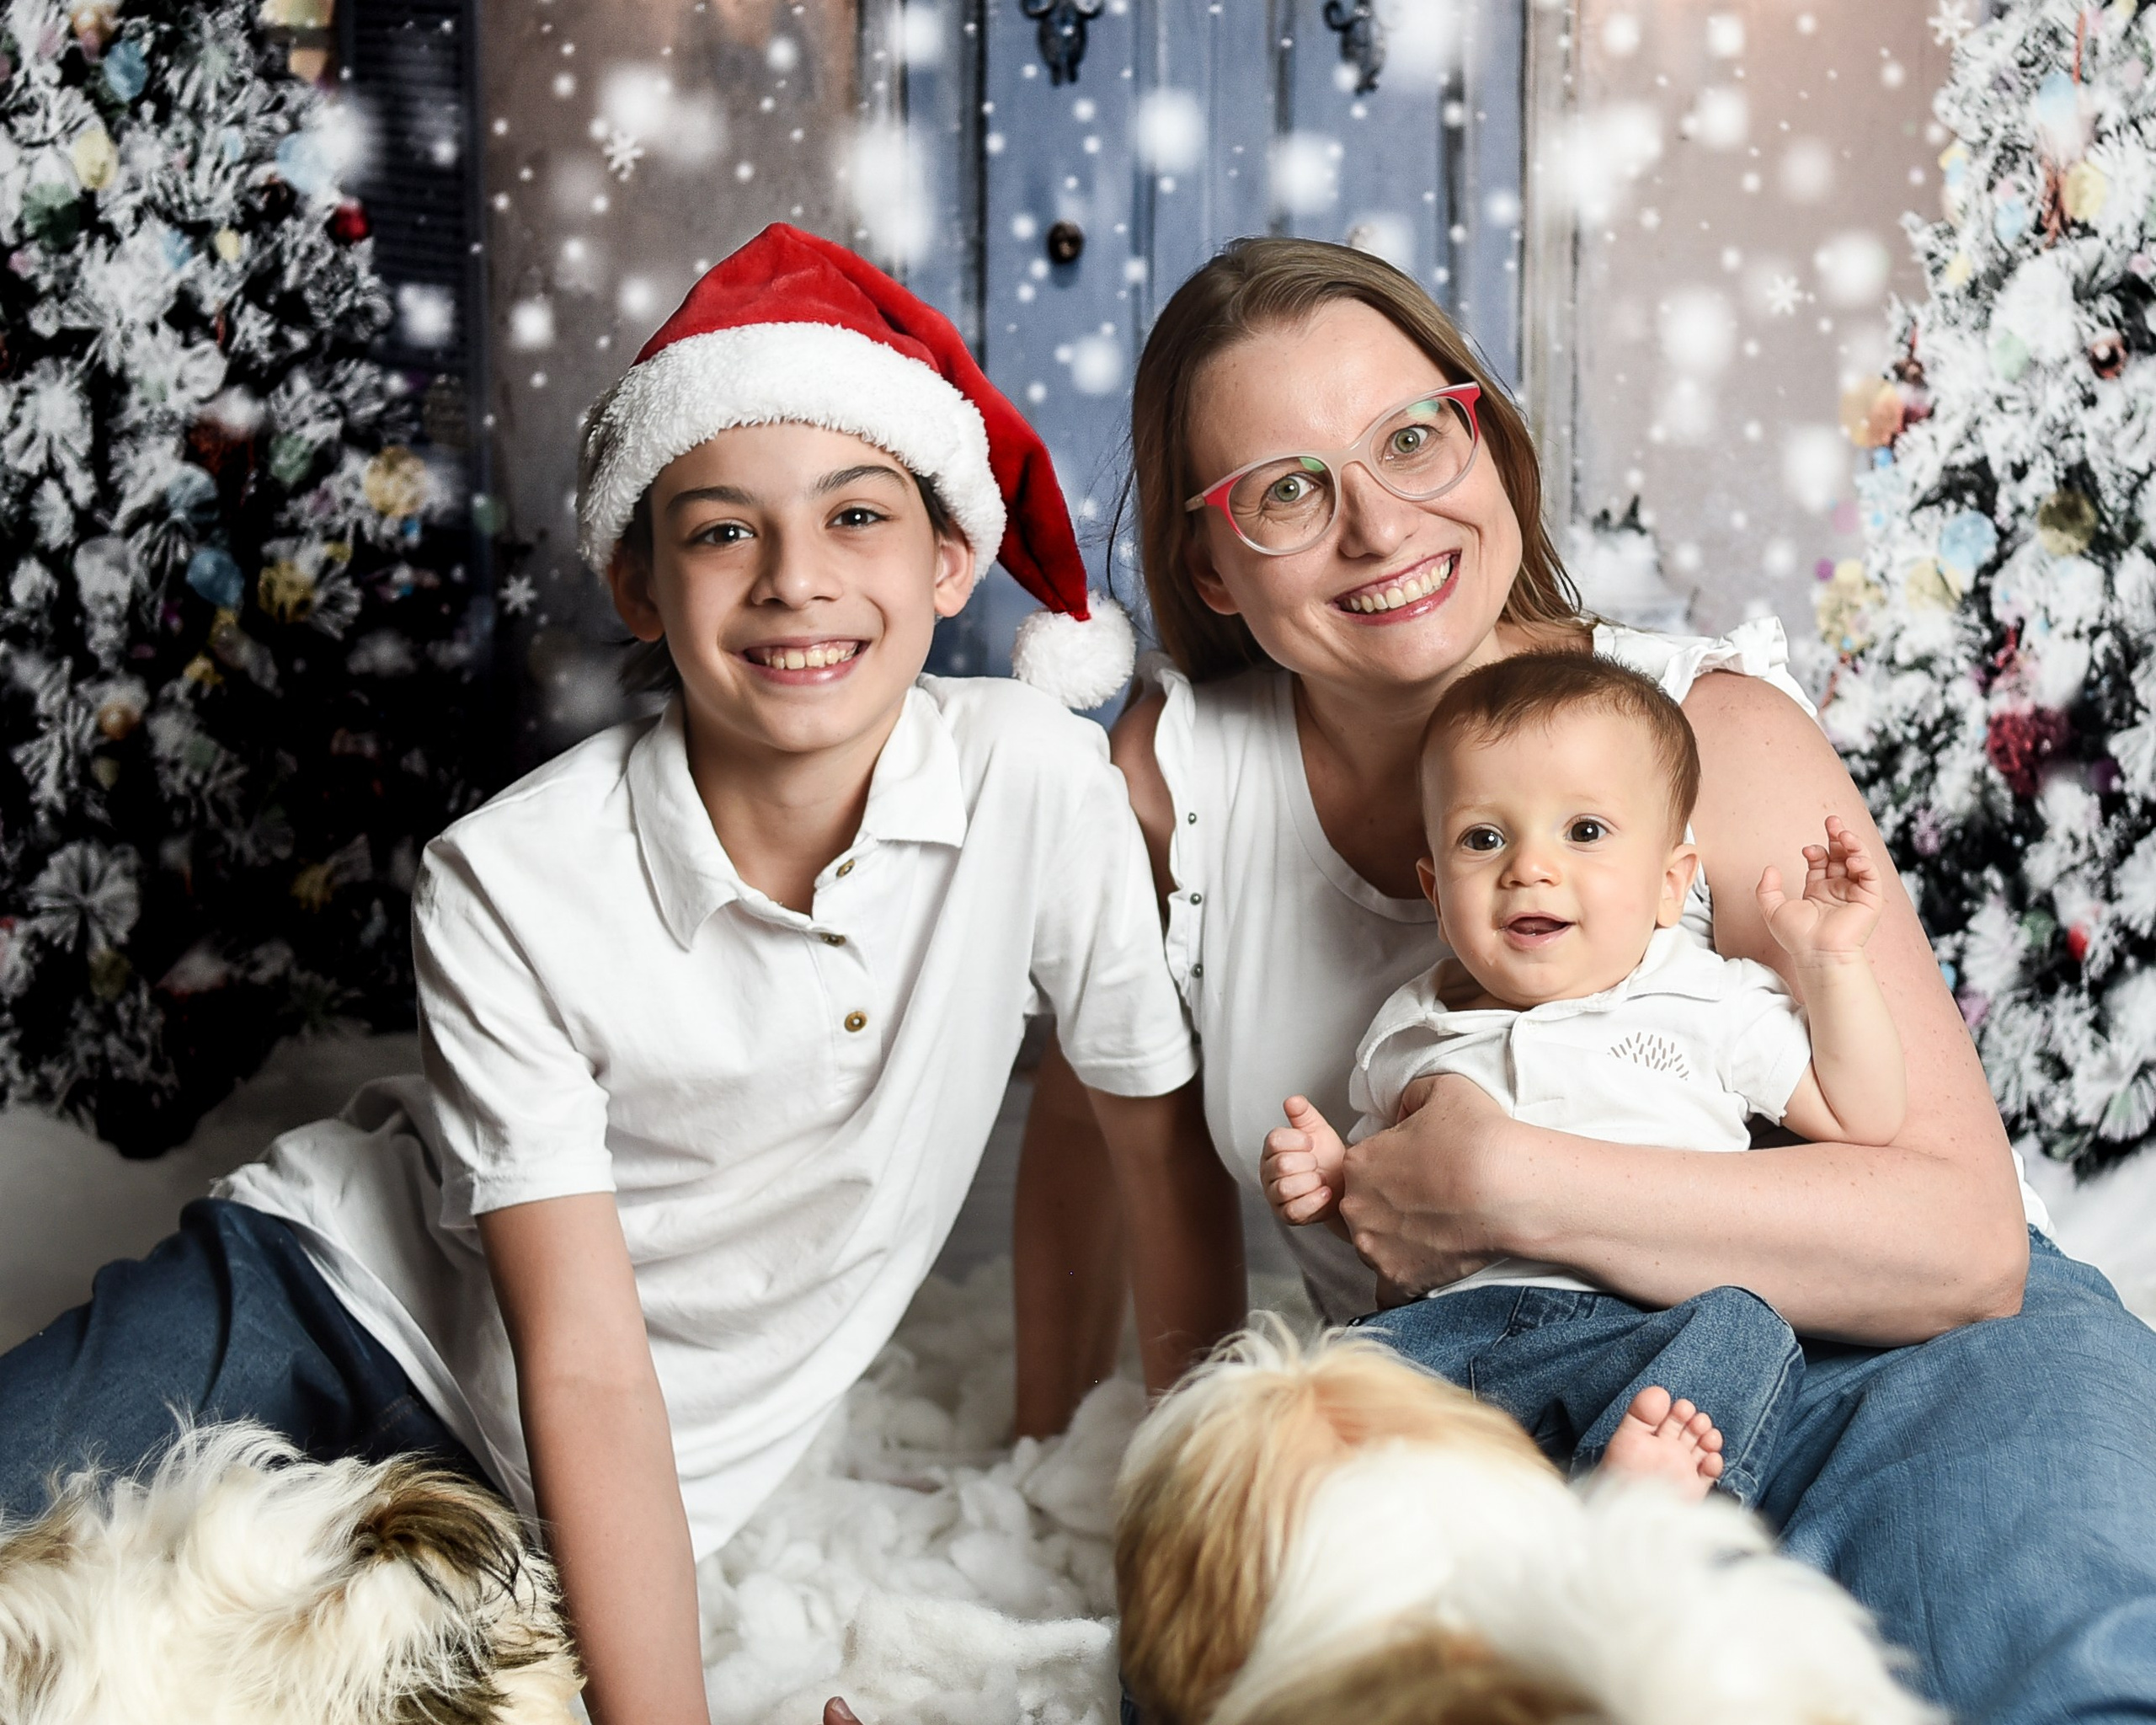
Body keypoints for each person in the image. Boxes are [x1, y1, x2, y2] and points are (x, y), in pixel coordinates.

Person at [0, 225, 1239, 1725]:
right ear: (640, 581)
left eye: (858, 516)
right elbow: (581, 1354)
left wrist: (1159, 1526)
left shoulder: (1038, 782)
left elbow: (1153, 1151)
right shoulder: (511, 878)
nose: (797, 580)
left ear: (950, 555)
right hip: (318, 1298)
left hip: (563, 1486)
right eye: (723, 531)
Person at [1014, 234, 2156, 1724]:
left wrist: (1509, 1182)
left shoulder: (1706, 735)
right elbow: (1109, 1158)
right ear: (1207, 557)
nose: (1380, 525)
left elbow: (1958, 1238)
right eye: (1289, 489)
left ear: (1483, 434)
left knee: (2034, 1653)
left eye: (1414, 436)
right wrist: (1107, 1486)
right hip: (1489, 1386)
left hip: (1872, 1350)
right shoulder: (1171, 789)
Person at [1262, 651, 1907, 1504]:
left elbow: (1862, 1114)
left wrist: (1829, 962)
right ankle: (1414, 1550)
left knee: (1745, 1329)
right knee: (1313, 1387)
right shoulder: (1413, 1027)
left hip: (1640, 1330)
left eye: (1585, 831)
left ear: (1671, 883)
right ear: (1434, 887)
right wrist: (1326, 1177)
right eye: (1482, 837)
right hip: (1448, 1333)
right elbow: (1387, 1213)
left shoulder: (1704, 998)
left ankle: (1624, 1508)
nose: (1530, 867)